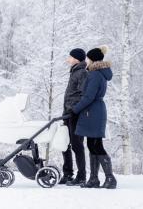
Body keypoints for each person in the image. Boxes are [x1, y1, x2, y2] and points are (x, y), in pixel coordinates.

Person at [69, 45, 117, 189]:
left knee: (96, 145)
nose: (87, 61)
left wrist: (75, 110)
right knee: (92, 144)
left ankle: (110, 179)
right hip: (94, 111)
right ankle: (94, 179)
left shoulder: (95, 74)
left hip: (93, 111)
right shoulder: (99, 73)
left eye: (88, 59)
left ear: (93, 59)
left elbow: (89, 96)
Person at [59, 48, 88, 186]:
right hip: (67, 113)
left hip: (75, 114)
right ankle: (68, 174)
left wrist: (75, 110)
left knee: (77, 145)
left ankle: (81, 176)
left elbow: (84, 95)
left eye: (69, 57)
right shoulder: (74, 72)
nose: (67, 59)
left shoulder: (82, 73)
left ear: (76, 59)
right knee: (64, 143)